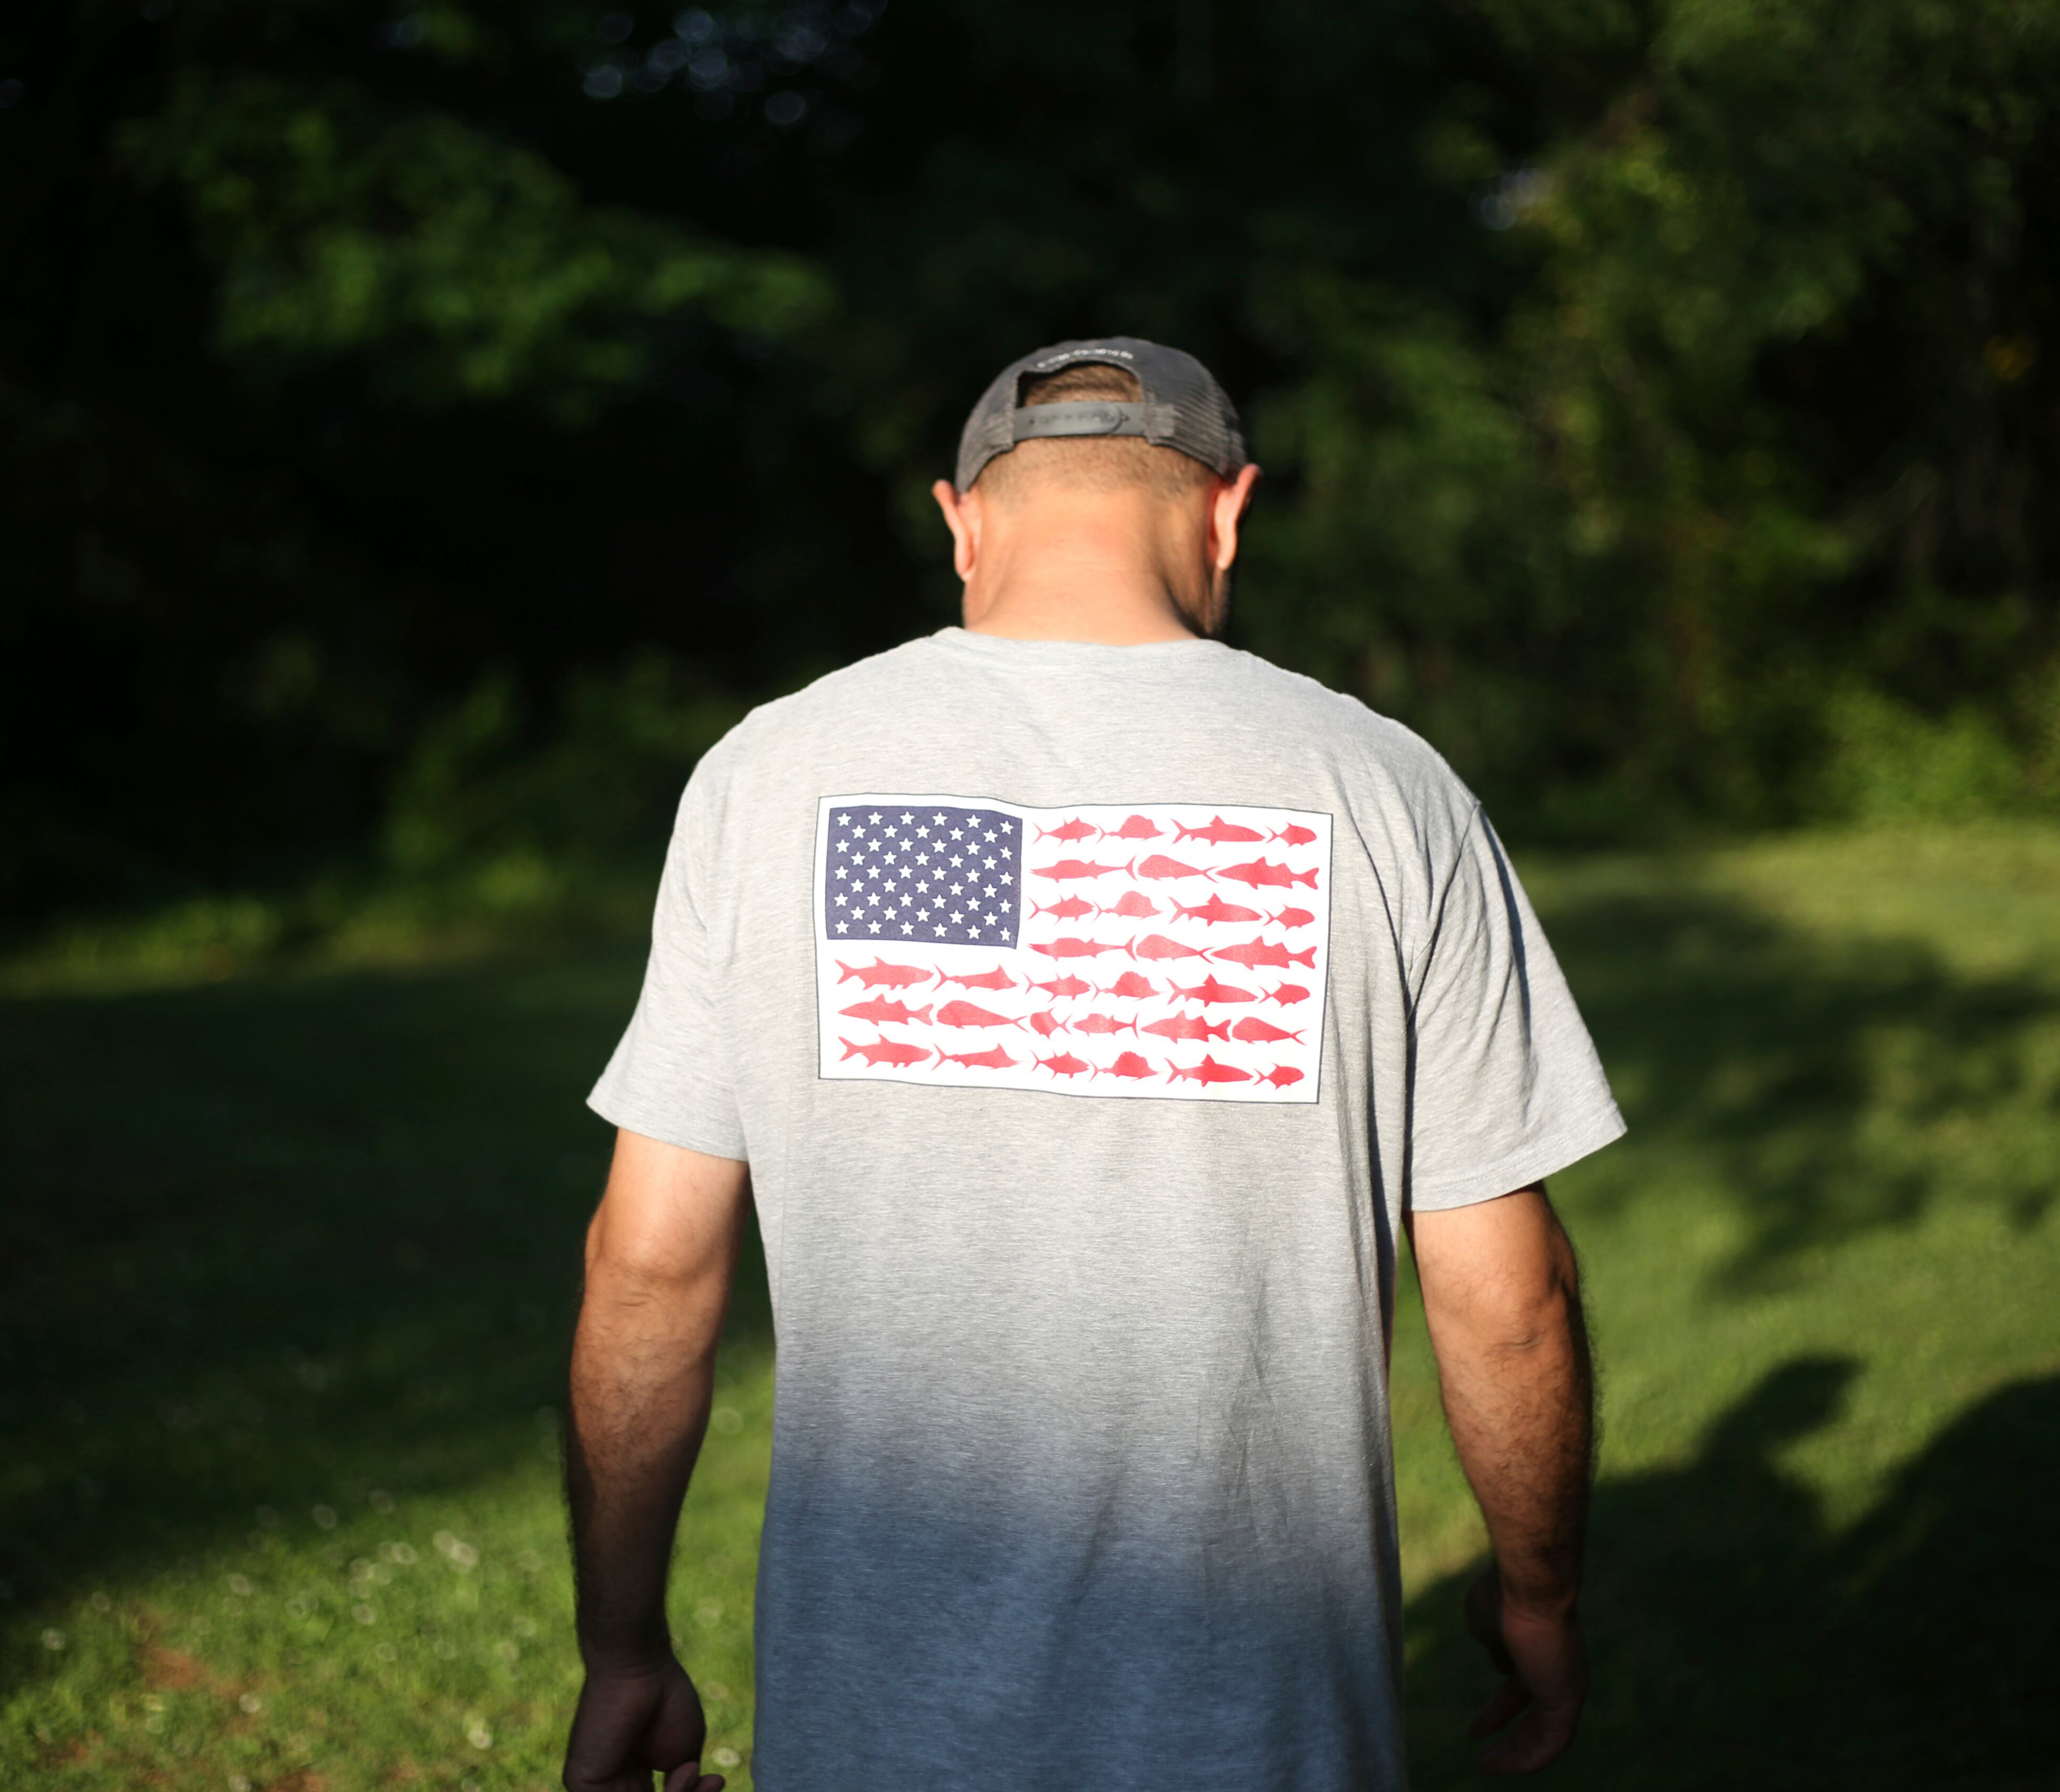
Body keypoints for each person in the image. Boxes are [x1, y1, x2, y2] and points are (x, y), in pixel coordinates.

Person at [562, 337, 1624, 1791]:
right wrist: (1538, 1595)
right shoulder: (1389, 788)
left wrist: (621, 1647)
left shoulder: (766, 776)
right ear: (1227, 514)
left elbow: (650, 1267)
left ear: (962, 521)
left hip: (877, 1723)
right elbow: (1508, 1300)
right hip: (1269, 1731)